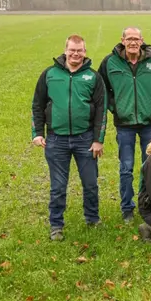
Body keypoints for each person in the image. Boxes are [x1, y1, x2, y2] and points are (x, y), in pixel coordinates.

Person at [32, 35, 107, 241]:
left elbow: (101, 109)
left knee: (90, 183)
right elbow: (37, 105)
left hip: (85, 139)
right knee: (58, 186)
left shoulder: (93, 77)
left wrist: (98, 139)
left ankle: (92, 218)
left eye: (80, 50)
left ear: (85, 51)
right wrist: (38, 133)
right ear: (65, 50)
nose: (76, 54)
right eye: (72, 50)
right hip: (57, 140)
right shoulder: (49, 74)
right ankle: (56, 224)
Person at [99, 26, 151, 223]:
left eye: (135, 39)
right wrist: (115, 107)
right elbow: (100, 88)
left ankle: (149, 203)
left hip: (148, 123)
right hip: (124, 125)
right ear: (122, 40)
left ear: (142, 40)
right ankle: (127, 208)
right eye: (128, 38)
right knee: (126, 168)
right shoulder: (110, 62)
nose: (132, 42)